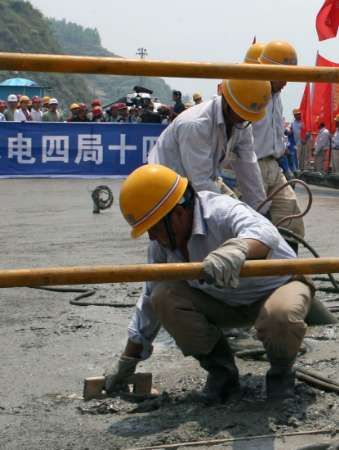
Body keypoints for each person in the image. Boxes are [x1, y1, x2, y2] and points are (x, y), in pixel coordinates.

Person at [104, 164, 315, 401]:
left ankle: (281, 375)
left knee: (279, 316)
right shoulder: (162, 245)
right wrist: (128, 361)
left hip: (276, 288)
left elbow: (264, 232)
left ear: (179, 213)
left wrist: (238, 248)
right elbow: (149, 302)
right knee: (163, 297)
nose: (152, 237)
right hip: (224, 302)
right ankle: (222, 374)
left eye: (153, 227)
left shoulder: (220, 210)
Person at [148, 78, 271, 213]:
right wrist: (229, 216)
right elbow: (201, 182)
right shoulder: (196, 125)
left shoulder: (241, 123)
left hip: (203, 179)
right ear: (227, 102)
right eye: (242, 114)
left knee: (244, 215)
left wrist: (261, 210)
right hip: (168, 188)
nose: (244, 119)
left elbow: (248, 168)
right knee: (221, 224)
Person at [249, 41, 305, 249]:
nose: (286, 82)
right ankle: (253, 277)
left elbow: (276, 134)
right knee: (251, 224)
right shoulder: (251, 93)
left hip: (273, 165)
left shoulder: (277, 96)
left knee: (291, 217)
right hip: (251, 166)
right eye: (283, 75)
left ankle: (287, 271)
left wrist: (286, 165)